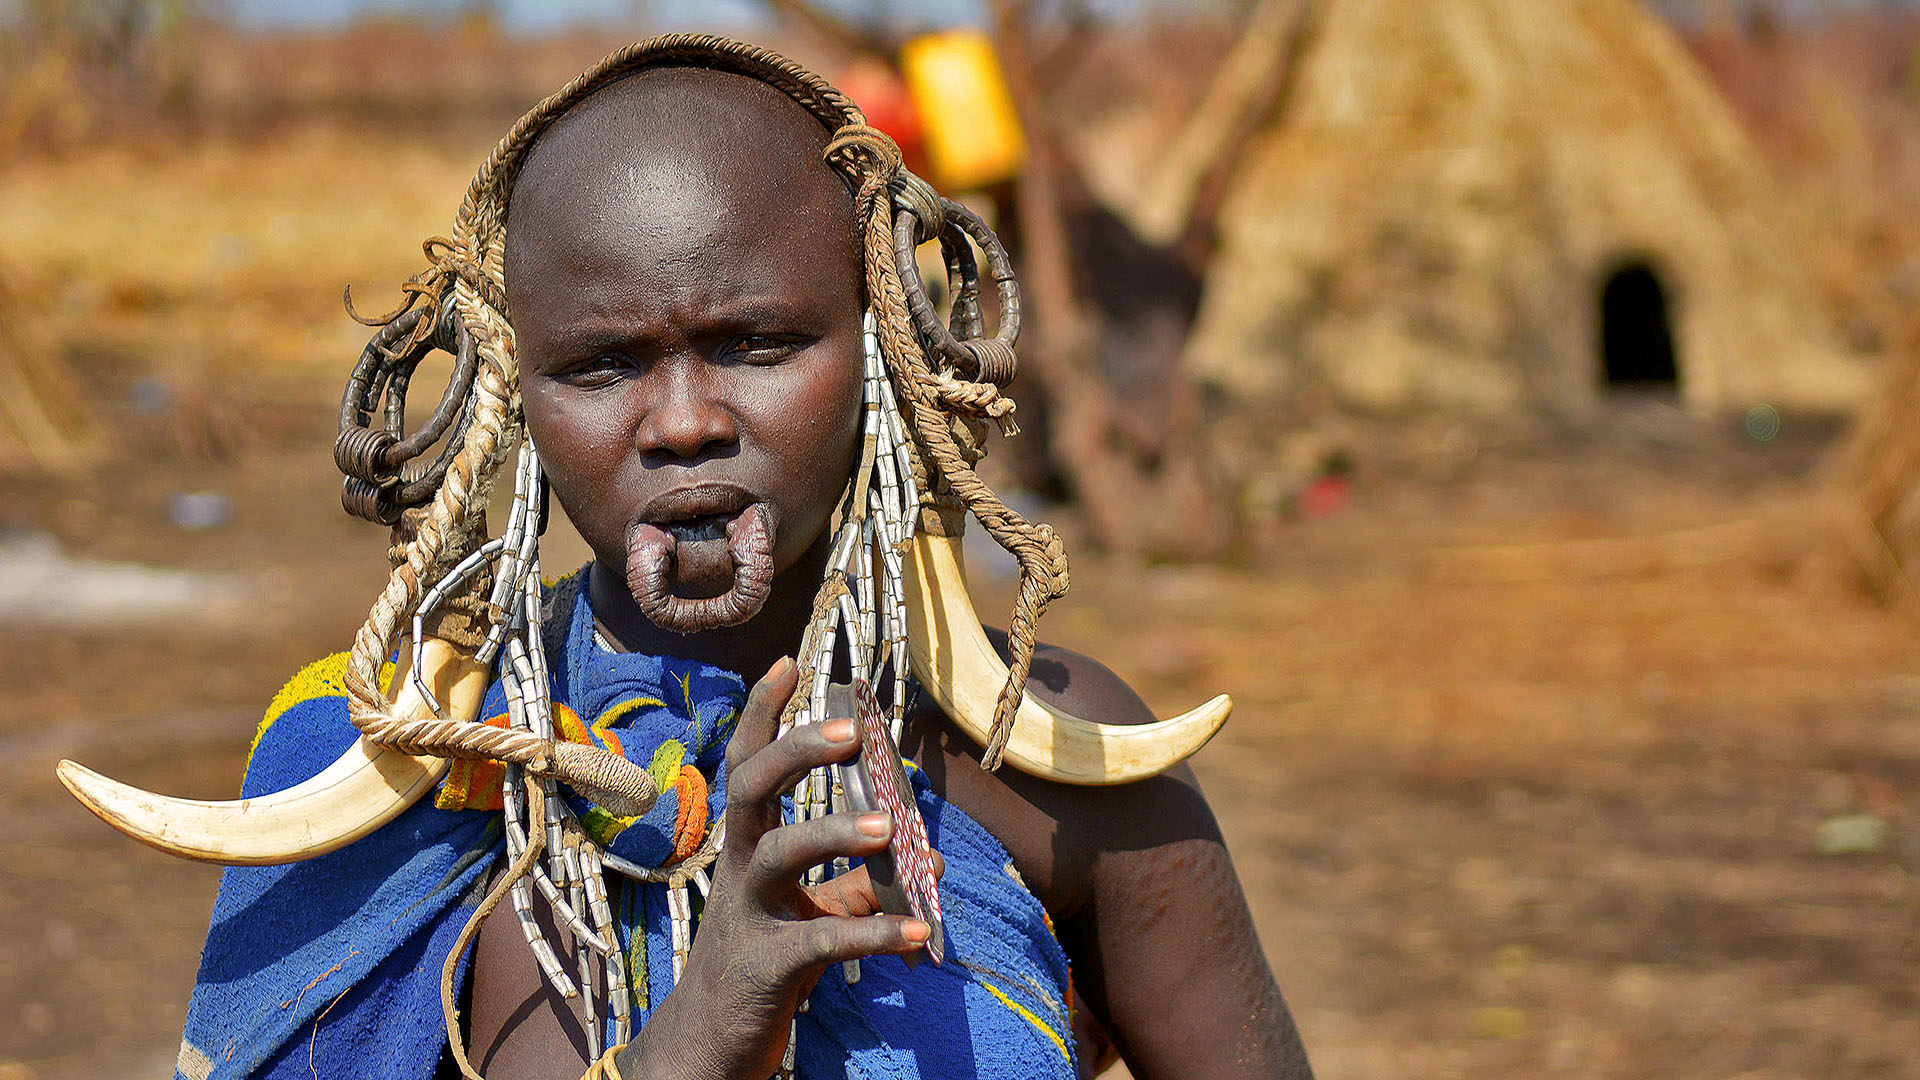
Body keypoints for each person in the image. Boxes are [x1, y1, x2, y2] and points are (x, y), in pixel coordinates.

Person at [143, 35, 1310, 1080]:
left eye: (756, 343)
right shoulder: (398, 778)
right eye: (601, 365)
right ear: (513, 393)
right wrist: (709, 1029)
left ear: (883, 351)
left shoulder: (1051, 761)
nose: (684, 420)